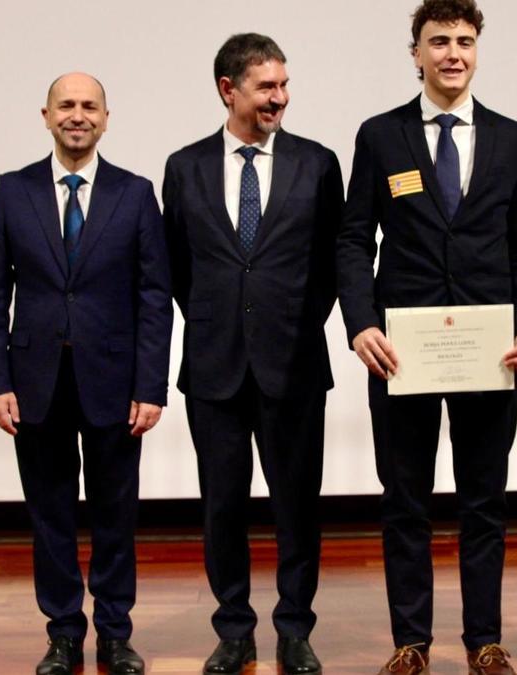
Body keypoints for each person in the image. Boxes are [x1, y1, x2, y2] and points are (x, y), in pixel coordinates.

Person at [336, 1, 517, 673]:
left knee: (484, 501)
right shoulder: (381, 136)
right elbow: (351, 239)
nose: (452, 53)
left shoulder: (514, 139)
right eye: (438, 42)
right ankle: (411, 642)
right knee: (406, 501)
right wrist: (361, 322)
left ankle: (484, 638)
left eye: (463, 41)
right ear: (416, 53)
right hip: (403, 354)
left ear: (477, 49)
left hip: (492, 353)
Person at [161, 33, 343, 675]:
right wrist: (220, 324)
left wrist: (291, 324)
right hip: (214, 369)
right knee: (222, 507)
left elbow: (331, 265)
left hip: (293, 364)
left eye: (284, 85)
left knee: (298, 506)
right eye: (267, 86)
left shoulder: (318, 164)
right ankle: (233, 628)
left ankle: (295, 627)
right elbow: (178, 268)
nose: (280, 98)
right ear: (227, 89)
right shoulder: (183, 168)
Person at [0, 72, 171, 675]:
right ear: (46, 115)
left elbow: (153, 297)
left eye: (90, 106)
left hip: (115, 381)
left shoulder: (135, 193)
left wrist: (150, 386)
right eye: (67, 105)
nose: (78, 115)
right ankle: (62, 633)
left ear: (107, 118)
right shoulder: (12, 191)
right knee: (50, 515)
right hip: (35, 381)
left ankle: (115, 633)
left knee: (116, 514)